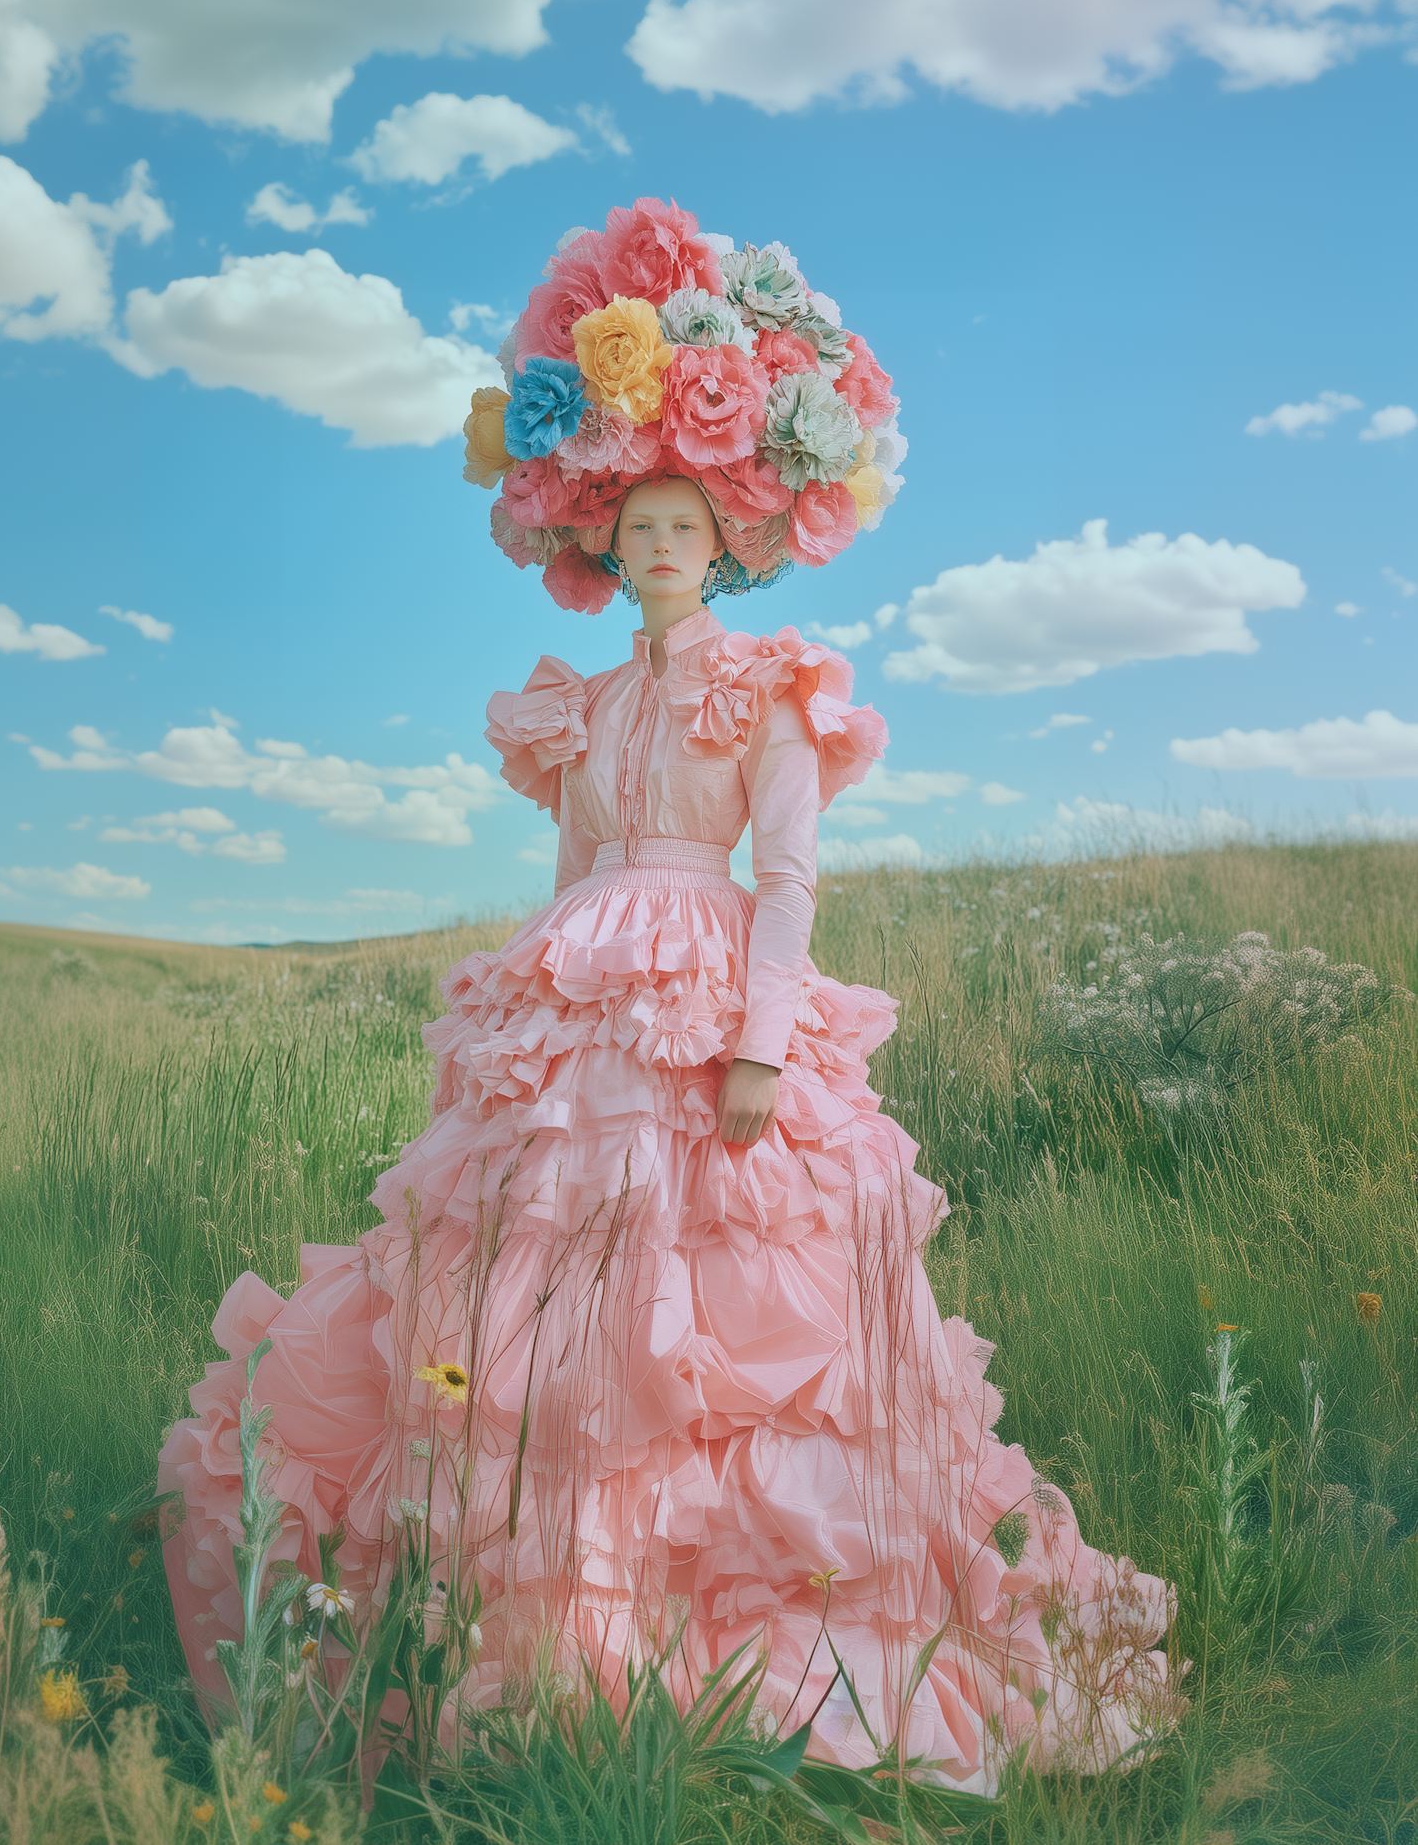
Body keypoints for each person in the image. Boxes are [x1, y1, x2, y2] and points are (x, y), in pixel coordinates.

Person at [159, 202, 1178, 1792]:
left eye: (682, 525)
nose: (655, 546)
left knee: (727, 1319)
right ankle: (562, 1653)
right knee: (544, 1307)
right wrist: (533, 1034)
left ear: (727, 543)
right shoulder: (581, 707)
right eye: (633, 525)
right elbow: (576, 875)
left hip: (715, 1013)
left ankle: (763, 1657)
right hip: (585, 1019)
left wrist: (761, 1042)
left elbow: (790, 878)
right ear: (600, 546)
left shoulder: (770, 690)